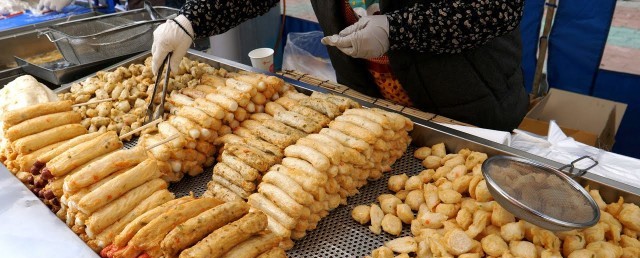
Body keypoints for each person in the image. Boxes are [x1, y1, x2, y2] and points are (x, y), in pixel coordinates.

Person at [156, 0, 532, 130]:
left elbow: (495, 8)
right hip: (371, 96)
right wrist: (194, 20)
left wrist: (399, 28)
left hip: (467, 98)